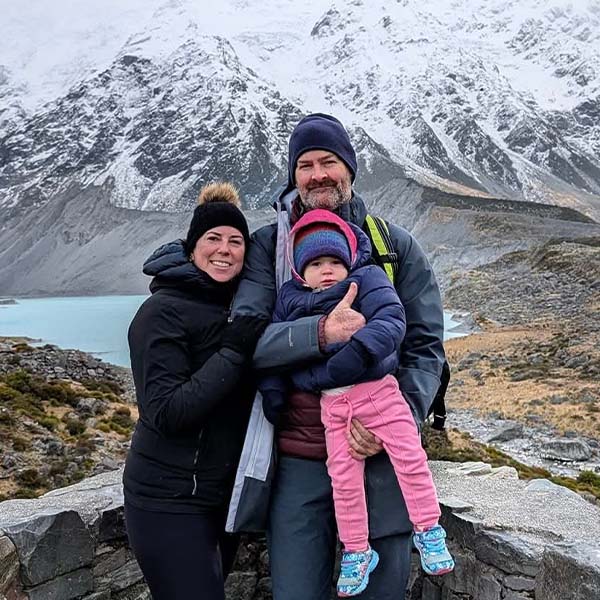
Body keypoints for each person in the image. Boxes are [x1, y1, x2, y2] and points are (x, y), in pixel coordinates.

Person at [230, 113, 447, 600]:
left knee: (381, 593)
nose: (318, 174)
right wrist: (320, 333)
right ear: (293, 176)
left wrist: (398, 419)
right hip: (300, 458)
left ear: (350, 168)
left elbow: (425, 345)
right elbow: (245, 342)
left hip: (378, 455)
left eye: (329, 161)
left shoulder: (394, 248)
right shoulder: (269, 248)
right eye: (305, 165)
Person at [260, 209, 454, 596]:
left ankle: (429, 530)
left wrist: (406, 413)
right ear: (300, 269)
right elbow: (260, 345)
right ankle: (357, 551)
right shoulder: (273, 261)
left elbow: (417, 338)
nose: (328, 270)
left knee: (410, 462)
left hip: (378, 409)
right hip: (314, 436)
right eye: (316, 263)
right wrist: (280, 394)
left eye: (335, 261)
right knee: (343, 488)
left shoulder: (380, 261)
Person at [123, 182, 268, 600]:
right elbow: (167, 411)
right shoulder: (160, 313)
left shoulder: (237, 307)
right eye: (213, 239)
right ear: (192, 247)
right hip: (166, 501)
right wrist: (233, 350)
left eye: (236, 241)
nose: (224, 249)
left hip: (219, 500)